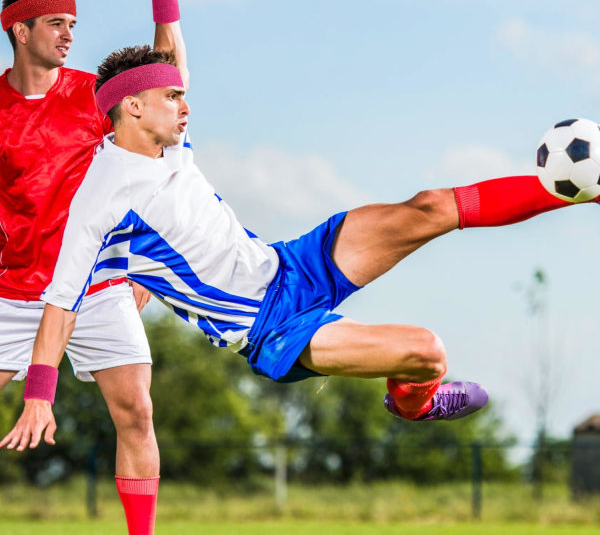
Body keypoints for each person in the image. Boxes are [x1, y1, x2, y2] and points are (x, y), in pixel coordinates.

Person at [2, 45, 586, 451]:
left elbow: (169, 56)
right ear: (133, 107)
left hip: (290, 263)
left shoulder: (167, 144)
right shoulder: (100, 201)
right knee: (428, 353)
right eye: (173, 96)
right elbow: (60, 302)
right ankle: (414, 404)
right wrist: (39, 397)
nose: (186, 105)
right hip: (270, 328)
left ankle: (588, 191)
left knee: (430, 205)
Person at [0, 0, 188, 534]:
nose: (69, 35)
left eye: (73, 24)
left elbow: (167, 84)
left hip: (99, 284)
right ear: (20, 30)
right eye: (56, 23)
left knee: (136, 412)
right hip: (13, 291)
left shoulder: (91, 95)